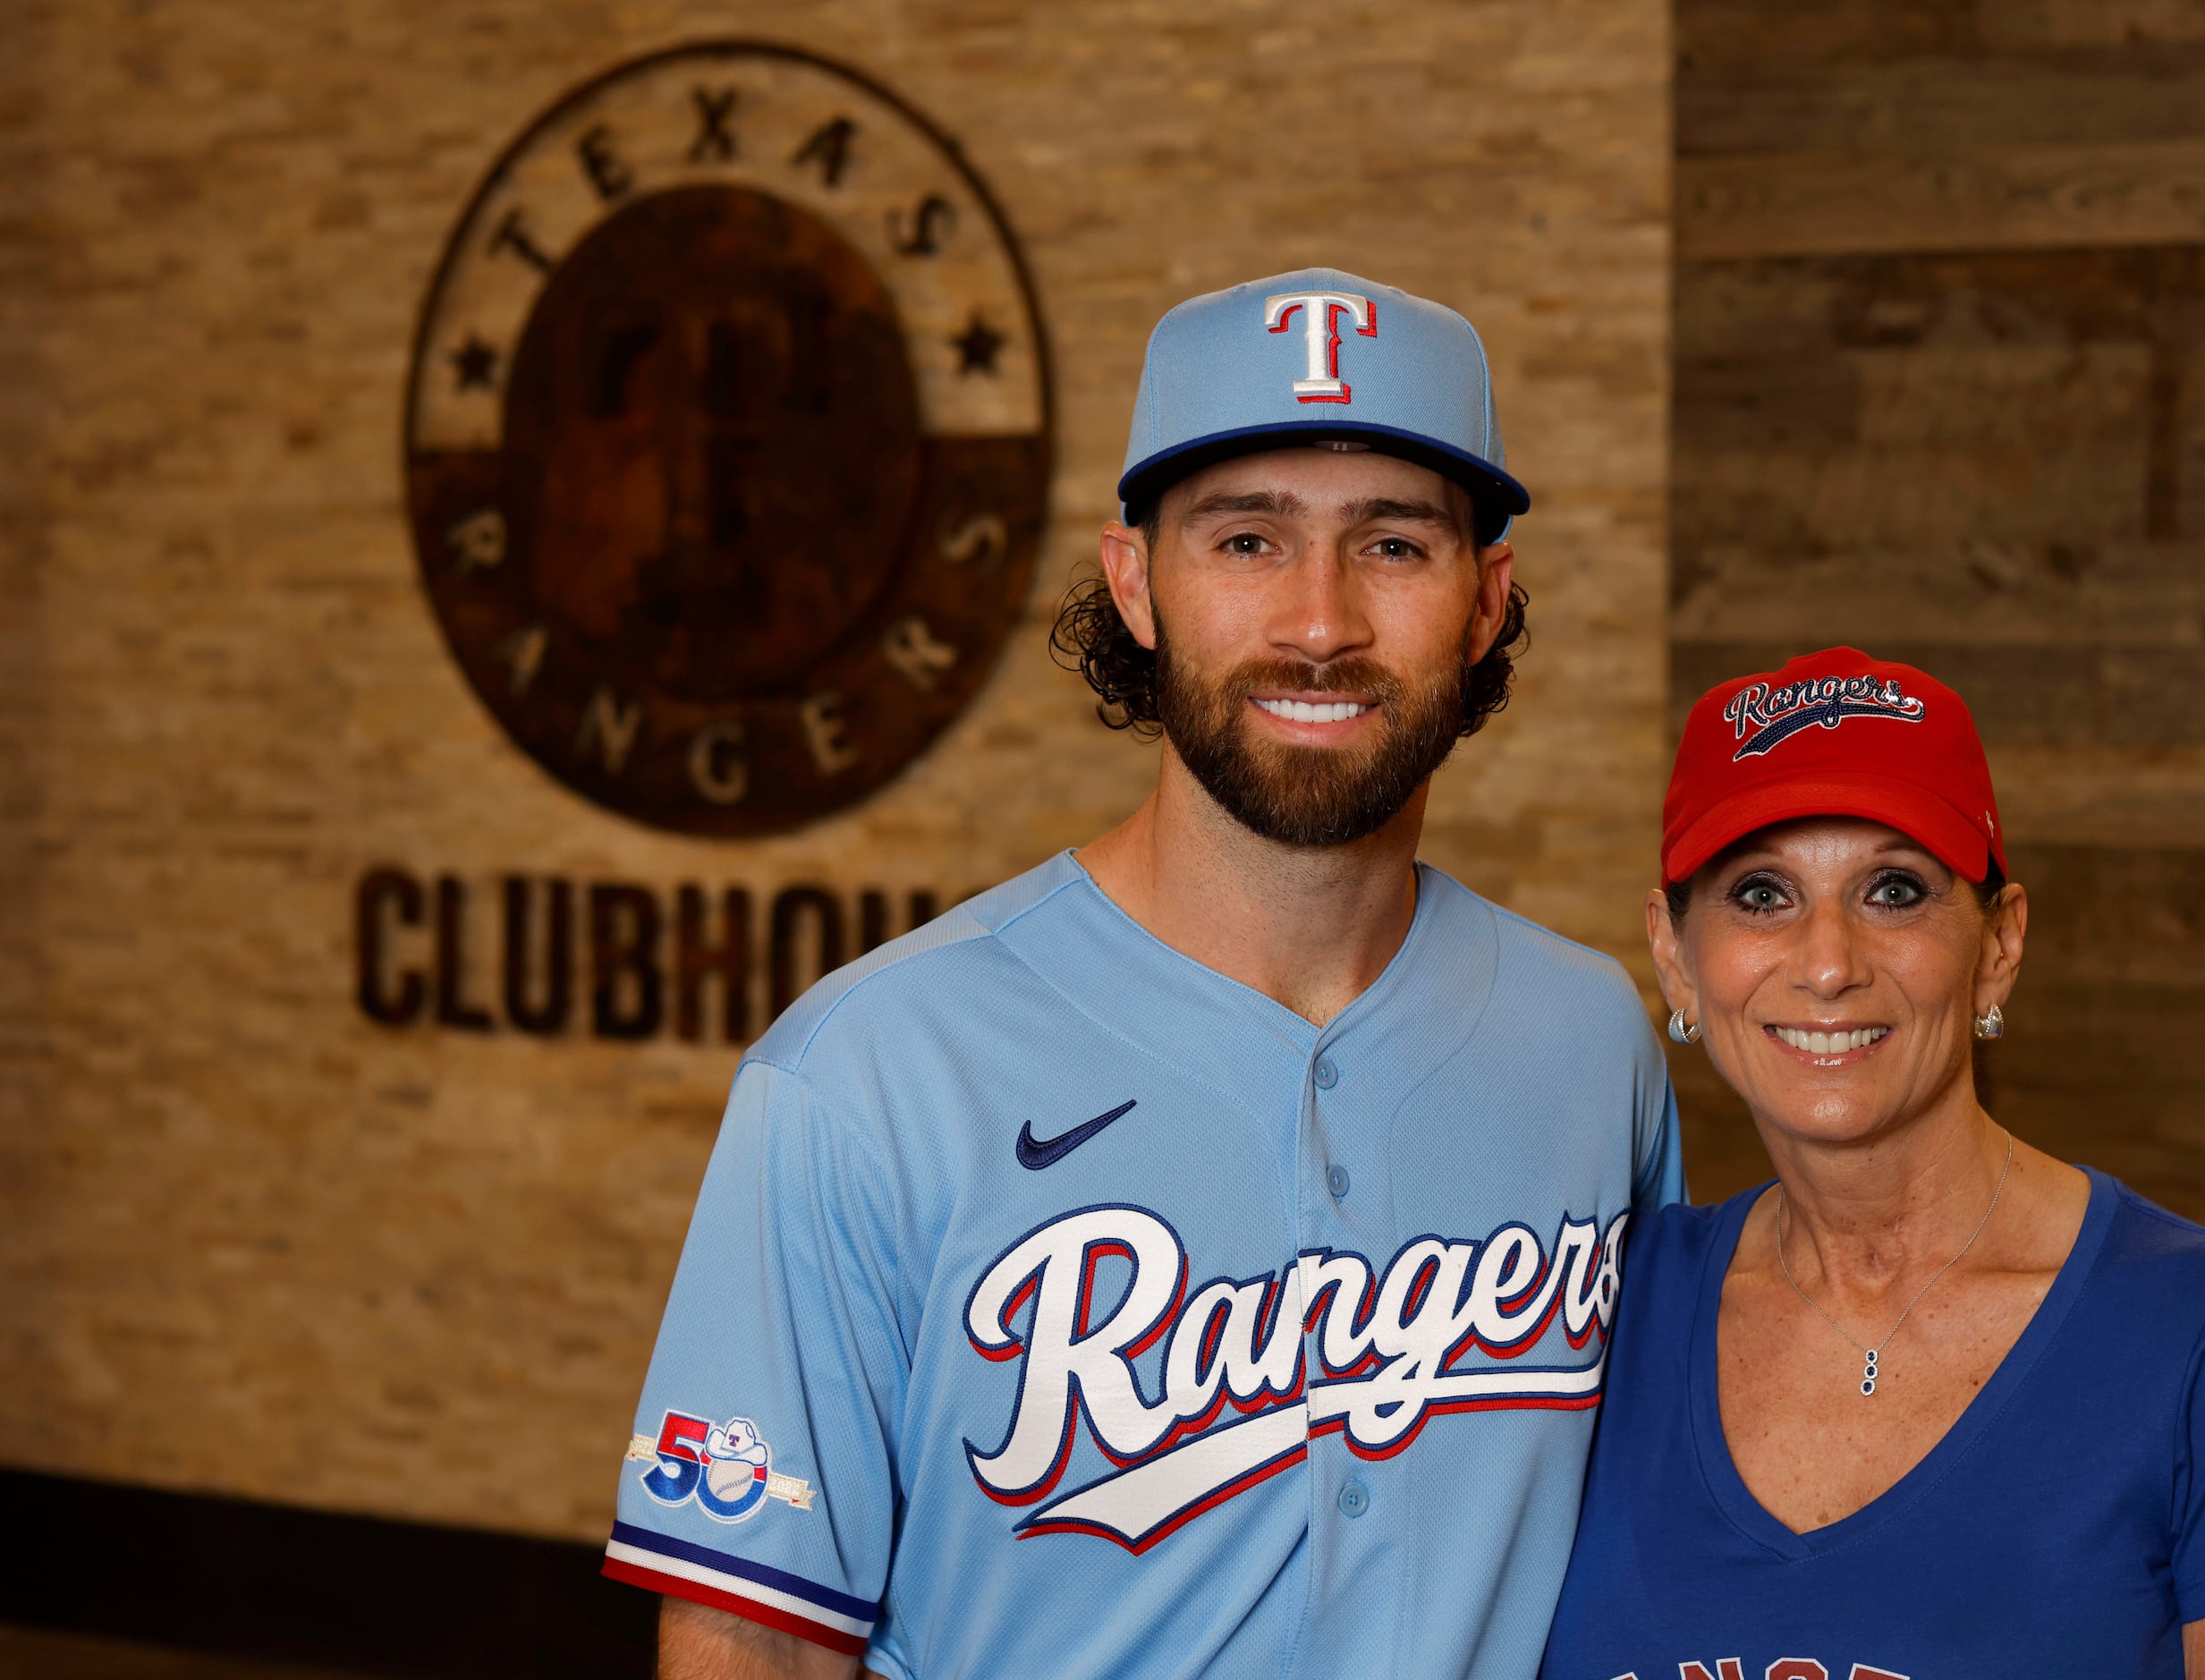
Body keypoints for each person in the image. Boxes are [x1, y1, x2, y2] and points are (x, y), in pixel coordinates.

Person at [601, 267, 1683, 1680]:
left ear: (1485, 603)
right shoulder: (866, 1074)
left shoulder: (1591, 1041)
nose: (1318, 622)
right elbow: (756, 1645)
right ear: (1138, 584)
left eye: (1394, 545)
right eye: (1245, 539)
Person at [1542, 648, 2205, 1680]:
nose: (1829, 962)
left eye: (1894, 890)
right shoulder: (1594, 1313)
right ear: (1675, 956)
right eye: (1761, 894)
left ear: (2001, 943)